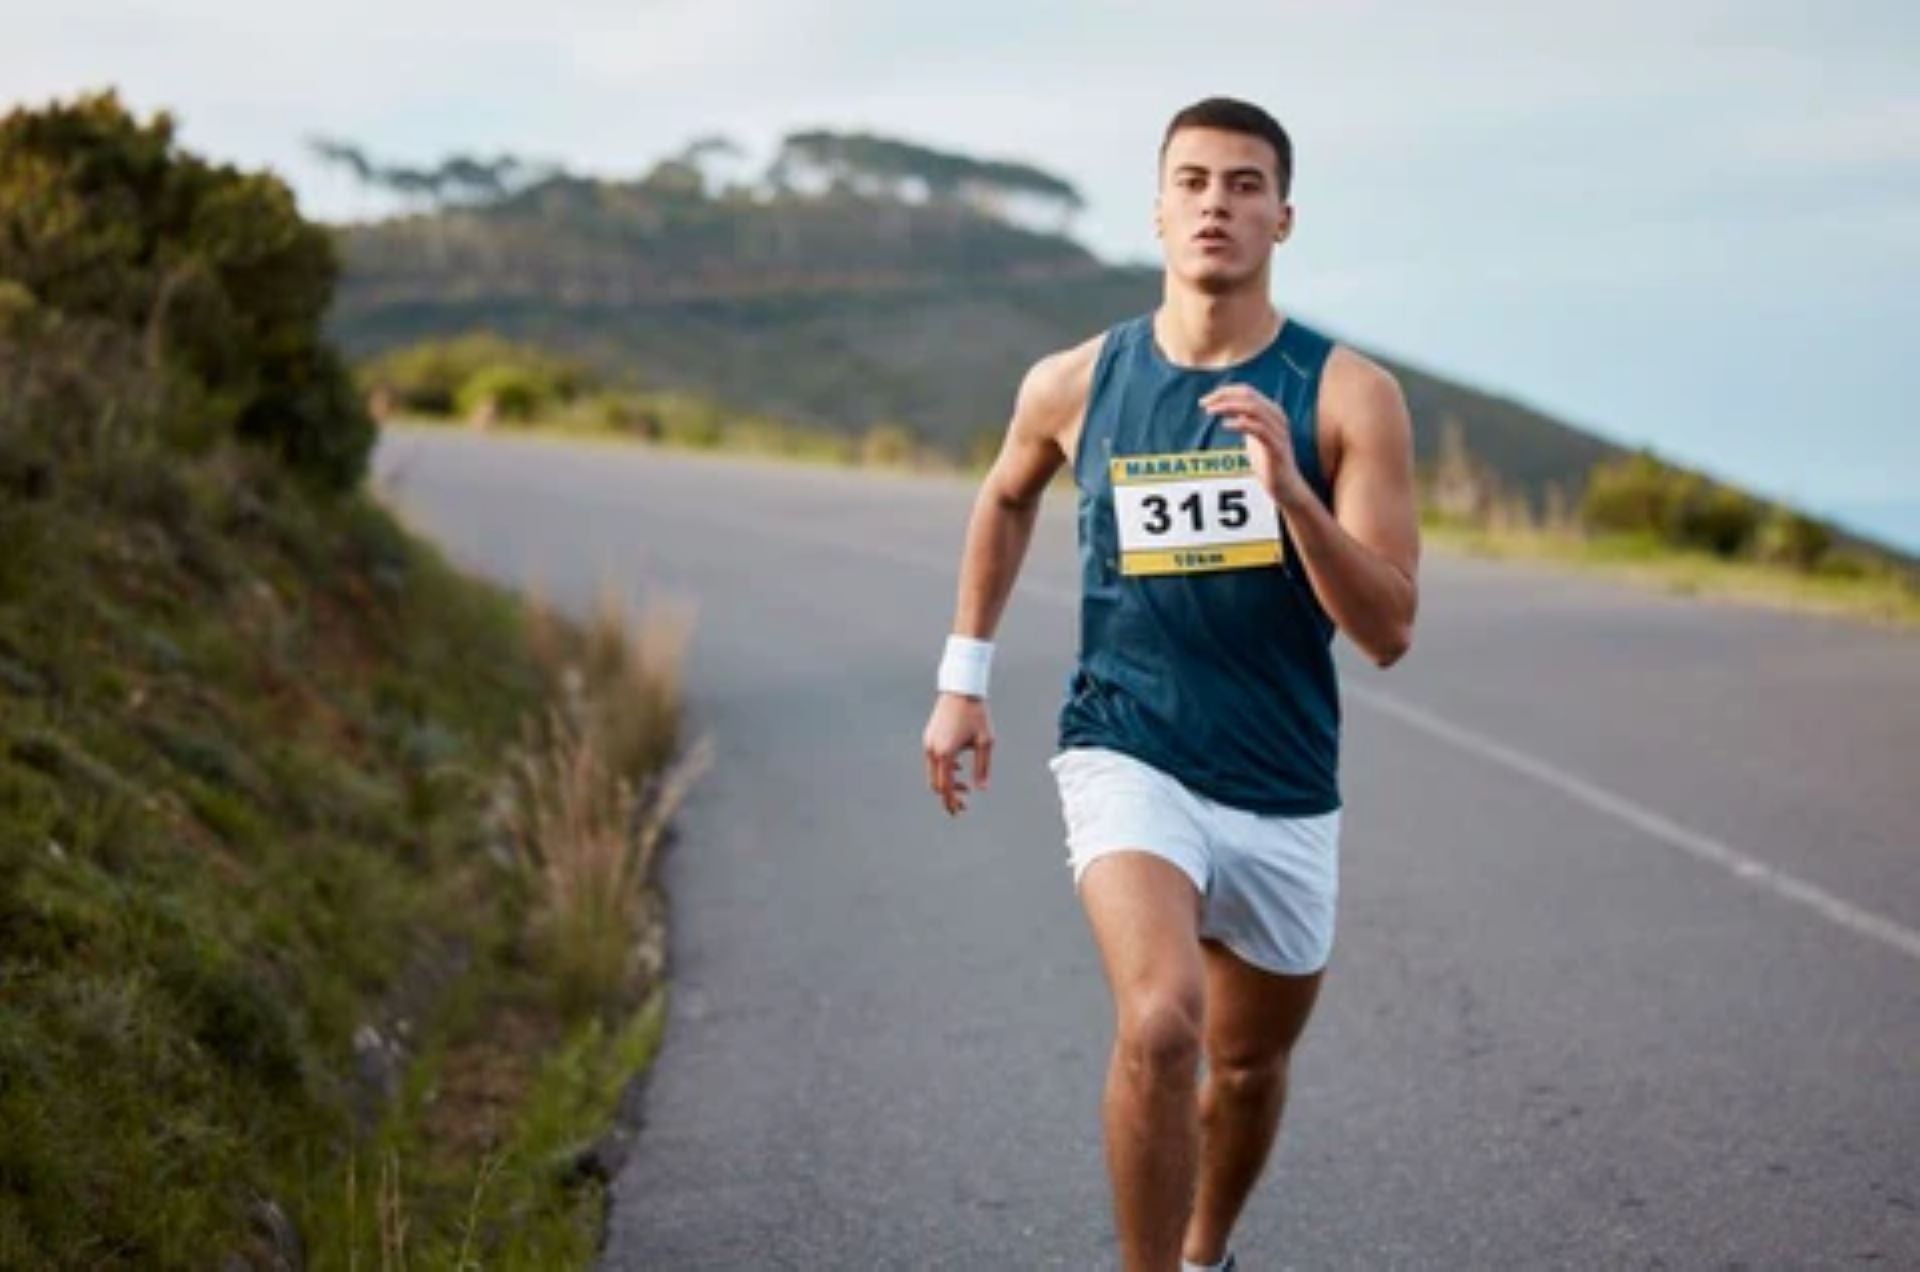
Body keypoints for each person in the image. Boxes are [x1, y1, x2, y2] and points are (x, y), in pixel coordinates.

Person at [920, 96, 1420, 1271]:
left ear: (1282, 219)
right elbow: (1003, 496)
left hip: (1284, 776)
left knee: (1246, 1068)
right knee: (1160, 1024)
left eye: (1245, 185)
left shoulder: (1350, 396)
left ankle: (1204, 1255)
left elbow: (1389, 628)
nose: (1216, 204)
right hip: (1127, 746)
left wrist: (1295, 495)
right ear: (1157, 211)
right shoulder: (1076, 381)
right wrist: (964, 679)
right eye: (1193, 181)